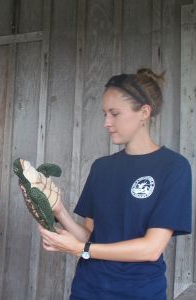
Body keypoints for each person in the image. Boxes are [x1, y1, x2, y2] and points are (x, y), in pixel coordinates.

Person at [37, 69, 192, 299]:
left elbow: (152, 248)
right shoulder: (102, 168)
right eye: (104, 113)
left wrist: (80, 250)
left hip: (139, 292)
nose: (106, 122)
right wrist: (60, 211)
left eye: (114, 113)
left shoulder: (173, 167)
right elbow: (89, 235)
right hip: (87, 290)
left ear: (144, 113)